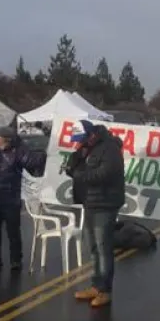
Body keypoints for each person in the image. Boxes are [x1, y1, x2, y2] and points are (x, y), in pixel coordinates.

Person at [64, 120, 125, 308]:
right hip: (90, 202)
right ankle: (96, 285)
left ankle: (105, 290)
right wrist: (73, 163)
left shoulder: (110, 149)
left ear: (92, 135)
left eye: (83, 139)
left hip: (105, 203)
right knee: (92, 246)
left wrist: (78, 174)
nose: (81, 142)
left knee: (103, 247)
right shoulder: (86, 148)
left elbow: (103, 174)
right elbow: (80, 169)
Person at [0, 126, 45, 272]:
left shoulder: (18, 152)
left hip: (11, 199)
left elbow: (33, 163)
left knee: (13, 231)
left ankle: (16, 260)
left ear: (5, 139)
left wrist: (23, 146)